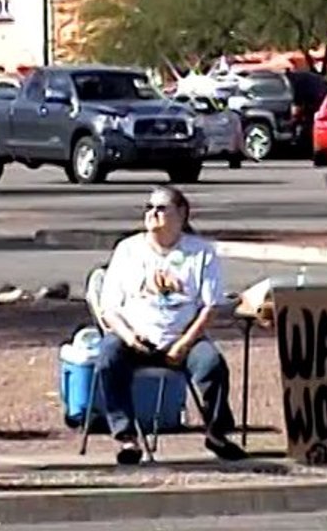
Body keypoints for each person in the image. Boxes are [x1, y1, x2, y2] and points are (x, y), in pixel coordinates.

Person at [95, 185, 247, 465]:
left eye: (161, 208)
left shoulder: (200, 252)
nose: (153, 213)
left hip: (183, 338)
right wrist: (129, 338)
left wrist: (184, 343)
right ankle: (127, 439)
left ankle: (217, 435)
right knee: (107, 357)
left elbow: (210, 306)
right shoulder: (127, 250)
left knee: (212, 363)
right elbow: (109, 309)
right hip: (135, 337)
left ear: (181, 214)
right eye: (149, 208)